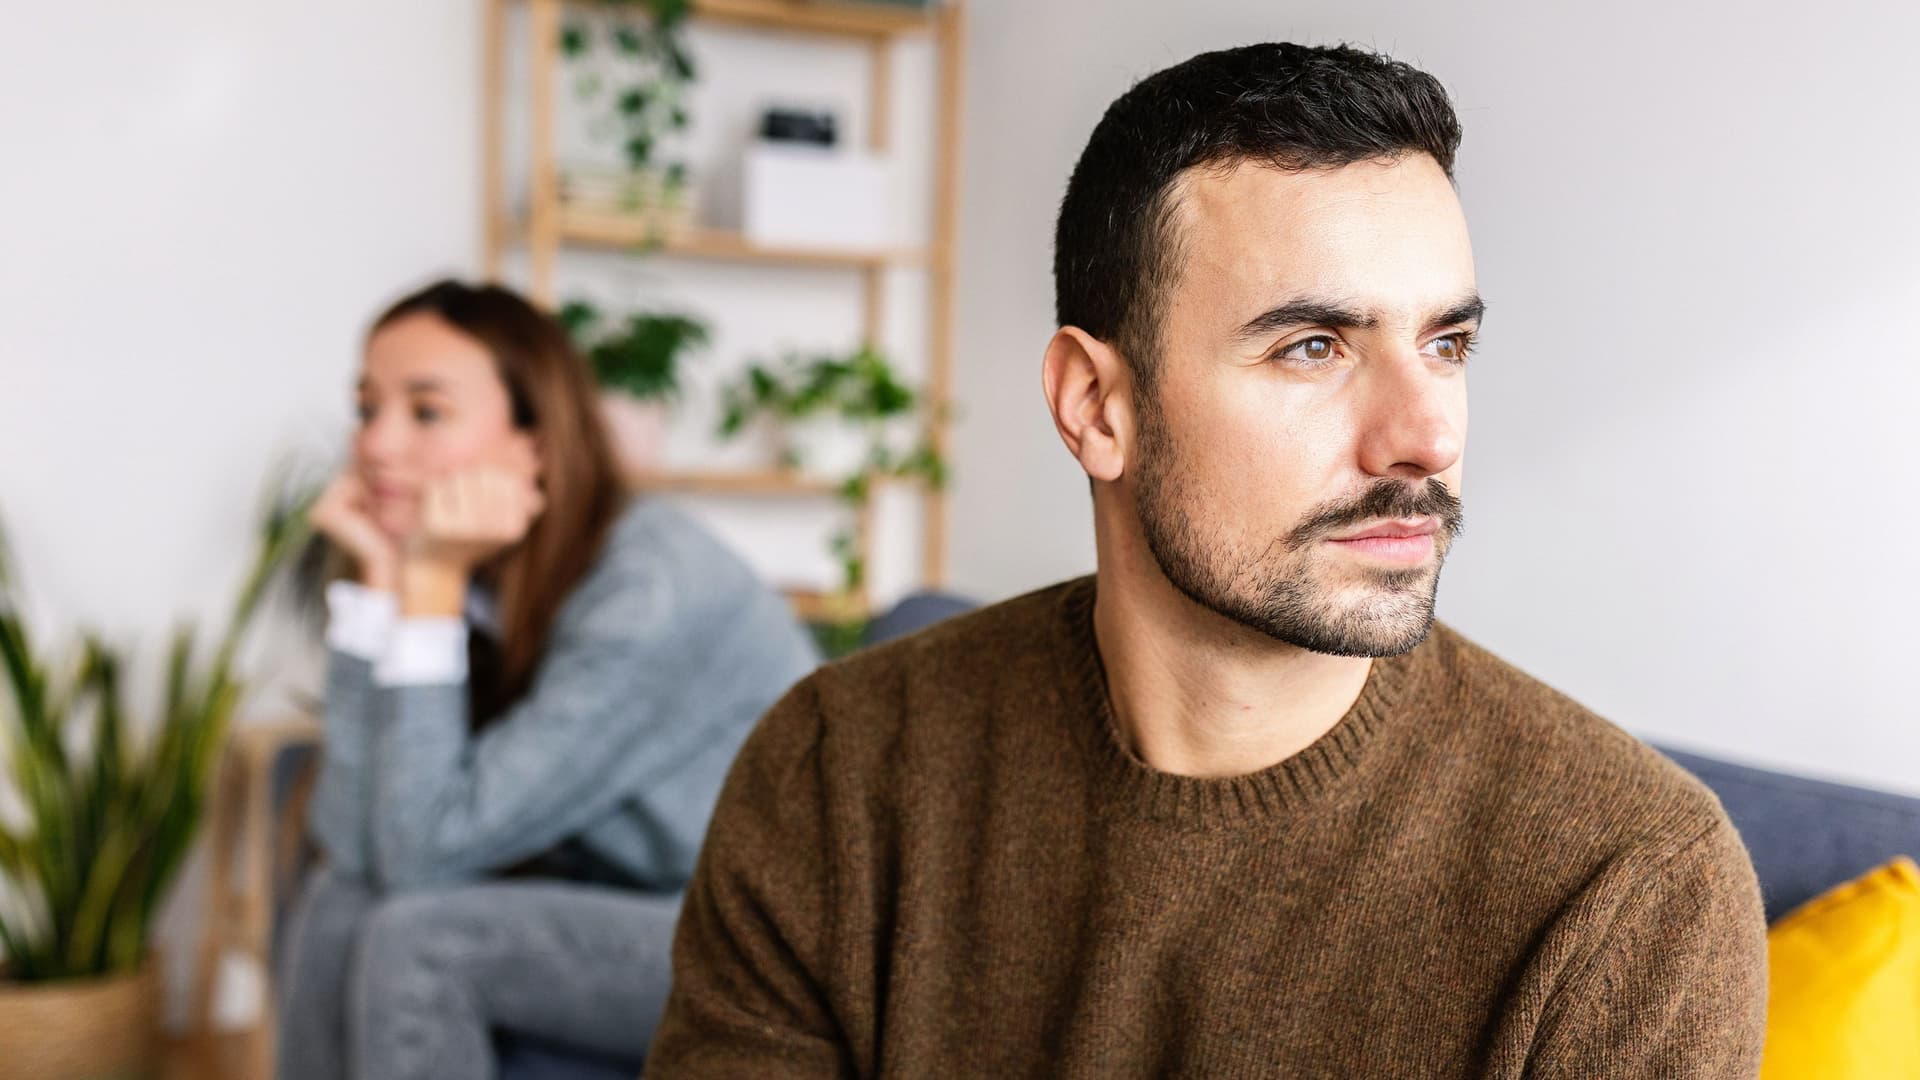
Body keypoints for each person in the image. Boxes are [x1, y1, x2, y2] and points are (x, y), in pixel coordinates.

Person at [648, 43, 1768, 1077]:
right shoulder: (837, 770)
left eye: (1446, 343)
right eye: (1313, 347)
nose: (1428, 437)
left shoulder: (1630, 890)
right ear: (1097, 407)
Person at [276, 279, 820, 1080]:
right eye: (367, 408)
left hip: (761, 940)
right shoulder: (482, 566)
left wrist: (427, 585)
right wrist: (378, 586)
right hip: (616, 891)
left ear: (535, 440)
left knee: (419, 941)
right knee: (340, 900)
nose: (377, 444)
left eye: (426, 411)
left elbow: (419, 855)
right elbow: (356, 841)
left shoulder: (647, 589)